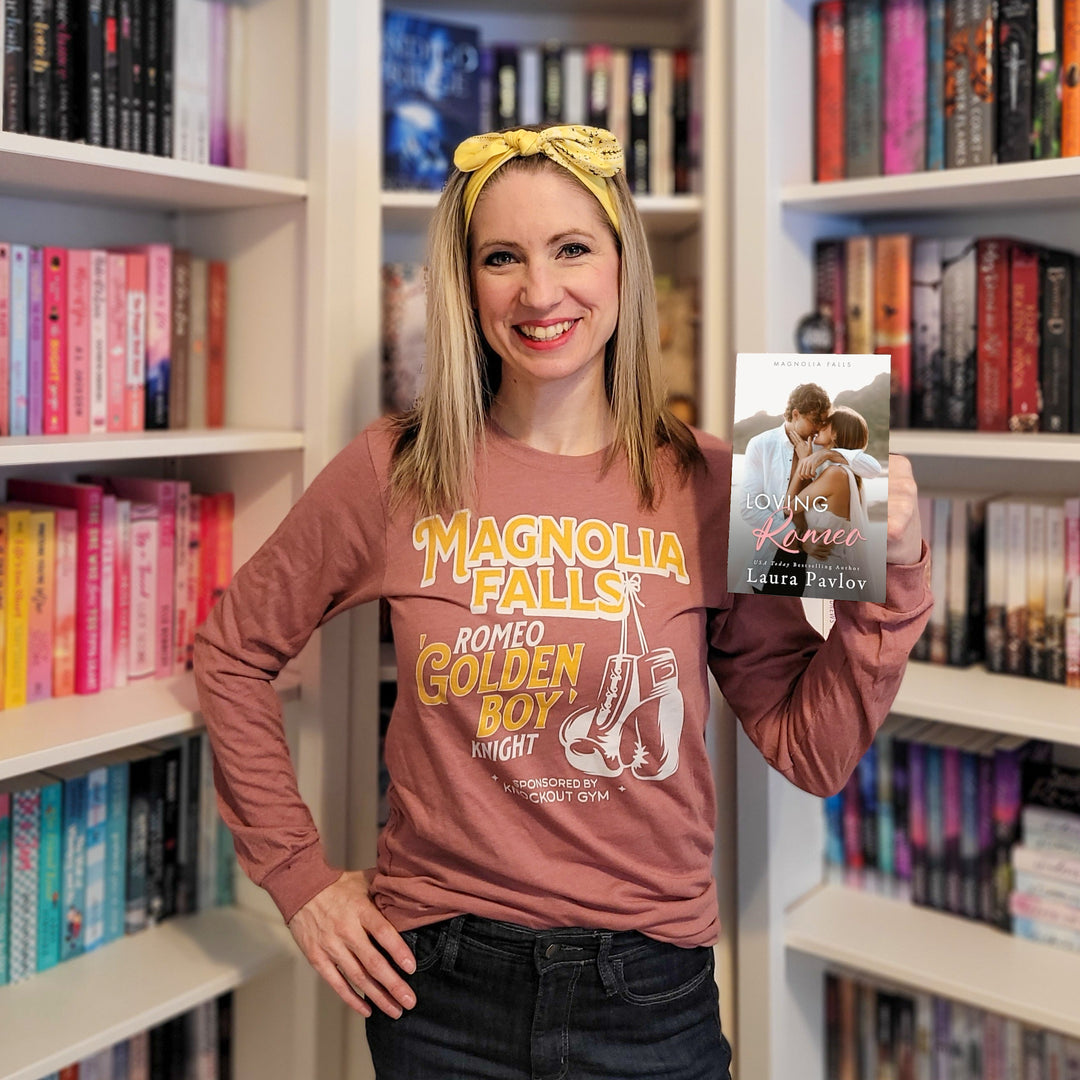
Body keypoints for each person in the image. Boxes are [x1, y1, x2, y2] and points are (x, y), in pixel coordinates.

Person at [193, 125, 932, 1080]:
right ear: (467, 285)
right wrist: (297, 879)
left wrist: (898, 570)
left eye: (572, 248)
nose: (540, 293)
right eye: (502, 257)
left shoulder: (719, 480)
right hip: (437, 990)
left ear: (625, 267)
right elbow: (232, 652)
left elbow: (812, 748)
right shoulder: (396, 468)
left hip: (651, 994)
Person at [739, 383, 882, 596]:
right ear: (796, 414)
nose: (818, 428)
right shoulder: (761, 445)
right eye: (815, 421)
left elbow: (872, 468)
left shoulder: (821, 446)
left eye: (823, 422)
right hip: (777, 552)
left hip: (820, 558)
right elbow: (750, 508)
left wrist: (826, 455)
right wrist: (798, 539)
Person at [784, 405, 880, 600]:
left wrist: (804, 461)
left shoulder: (836, 474)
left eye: (826, 424)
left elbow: (789, 507)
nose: (820, 426)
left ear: (835, 432)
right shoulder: (844, 472)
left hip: (829, 573)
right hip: (827, 570)